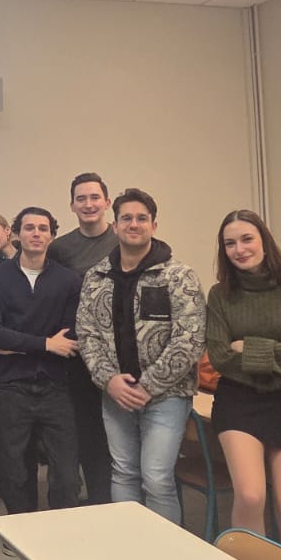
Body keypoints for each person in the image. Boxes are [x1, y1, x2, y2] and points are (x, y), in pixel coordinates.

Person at [204, 210, 281, 559]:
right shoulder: (220, 295)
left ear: (264, 240)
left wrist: (247, 347)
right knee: (250, 496)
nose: (239, 249)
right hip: (237, 402)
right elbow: (220, 357)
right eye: (230, 243)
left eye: (247, 239)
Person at [78, 189, 205, 526]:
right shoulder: (96, 277)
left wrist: (147, 386)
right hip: (115, 394)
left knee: (157, 477)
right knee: (123, 473)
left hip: (166, 396)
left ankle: (164, 552)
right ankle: (129, 545)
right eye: (126, 218)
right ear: (115, 226)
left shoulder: (178, 276)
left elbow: (189, 339)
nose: (133, 224)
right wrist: (109, 380)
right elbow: (87, 334)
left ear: (154, 225)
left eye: (141, 218)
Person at [0, 207, 82, 516]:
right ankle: (22, 528)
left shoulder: (68, 280)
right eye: (29, 227)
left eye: (43, 228)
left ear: (52, 235)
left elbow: (69, 337)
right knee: (14, 470)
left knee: (66, 473)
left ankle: (61, 528)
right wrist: (46, 343)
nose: (36, 233)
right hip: (12, 386)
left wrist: (17, 343)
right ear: (16, 234)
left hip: (56, 386)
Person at [49, 172, 118, 506]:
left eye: (94, 197)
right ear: (72, 205)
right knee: (88, 431)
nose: (88, 204)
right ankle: (94, 500)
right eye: (81, 198)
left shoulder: (123, 238)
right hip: (78, 354)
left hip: (120, 353)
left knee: (118, 433)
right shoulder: (60, 248)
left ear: (107, 202)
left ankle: (118, 502)